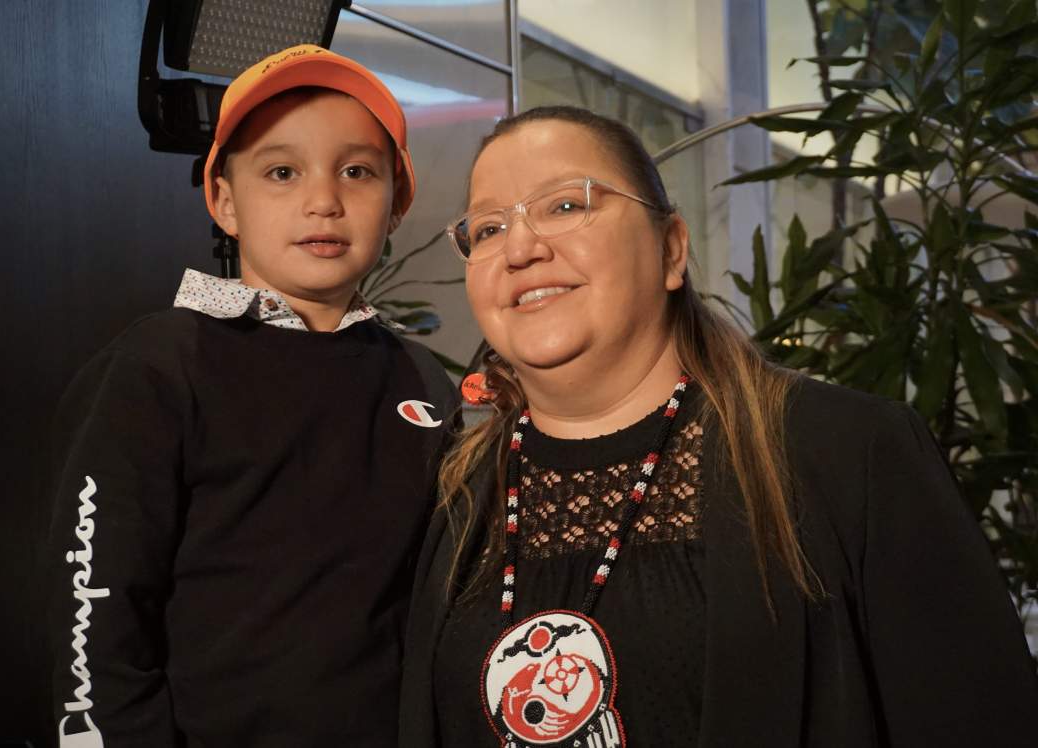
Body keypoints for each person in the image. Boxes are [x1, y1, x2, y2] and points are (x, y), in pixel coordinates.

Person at [399, 105, 1038, 748]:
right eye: (488, 228)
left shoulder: (849, 453)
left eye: (565, 205)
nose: (520, 249)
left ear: (671, 248)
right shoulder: (453, 492)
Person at [48, 45, 458, 747]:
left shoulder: (422, 381)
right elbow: (98, 621)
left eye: (357, 171)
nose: (323, 200)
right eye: (282, 172)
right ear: (225, 201)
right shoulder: (160, 366)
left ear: (397, 203)